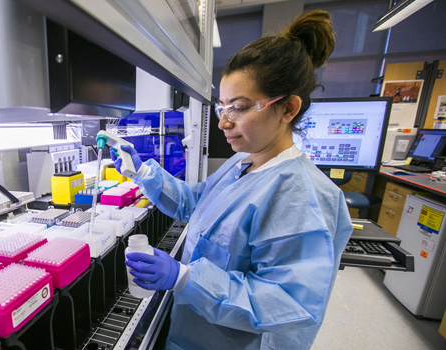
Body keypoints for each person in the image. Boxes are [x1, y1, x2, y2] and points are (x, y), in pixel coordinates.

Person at [111, 10, 353, 350]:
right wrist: (142, 172)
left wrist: (185, 278)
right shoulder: (242, 163)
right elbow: (195, 204)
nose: (224, 123)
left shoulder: (302, 196)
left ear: (288, 109)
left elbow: (286, 303)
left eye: (238, 108)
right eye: (221, 107)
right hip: (198, 331)